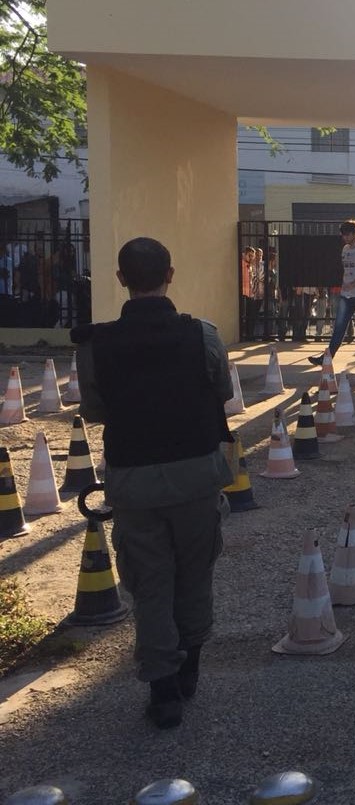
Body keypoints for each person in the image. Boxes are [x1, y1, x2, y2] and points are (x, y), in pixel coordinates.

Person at [72, 237, 233, 729]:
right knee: (194, 571)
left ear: (121, 279)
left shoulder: (95, 344)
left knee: (150, 583)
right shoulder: (203, 334)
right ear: (172, 274)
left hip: (134, 479)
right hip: (196, 473)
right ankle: (191, 667)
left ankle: (163, 689)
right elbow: (221, 391)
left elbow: (96, 410)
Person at [309, 220, 355, 367]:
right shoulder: (345, 249)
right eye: (343, 235)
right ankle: (326, 358)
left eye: (347, 235)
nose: (345, 238)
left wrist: (354, 283)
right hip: (347, 294)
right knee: (339, 326)